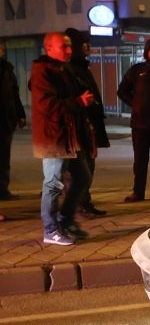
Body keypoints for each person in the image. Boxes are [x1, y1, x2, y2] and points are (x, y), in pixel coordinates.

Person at [30, 32, 94, 245]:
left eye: (69, 46)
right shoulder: (43, 71)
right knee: (53, 183)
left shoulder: (66, 69)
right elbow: (47, 106)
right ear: (48, 48)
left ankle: (65, 220)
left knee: (83, 177)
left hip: (70, 135)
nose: (69, 50)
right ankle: (50, 229)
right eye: (63, 47)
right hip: (53, 136)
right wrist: (78, 102)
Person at [64, 29, 109, 218]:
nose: (88, 47)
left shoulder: (82, 67)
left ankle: (84, 202)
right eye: (84, 44)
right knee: (79, 170)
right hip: (78, 125)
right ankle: (77, 205)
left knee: (88, 166)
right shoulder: (70, 69)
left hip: (89, 124)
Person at [117, 39, 150, 202]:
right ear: (146, 52)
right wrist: (135, 104)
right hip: (140, 124)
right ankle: (138, 192)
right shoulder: (137, 70)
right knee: (140, 160)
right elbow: (122, 91)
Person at [0, 40, 27, 205]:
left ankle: (3, 190)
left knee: (4, 158)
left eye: (1, 48)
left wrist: (20, 114)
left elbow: (14, 94)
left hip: (5, 121)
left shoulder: (7, 69)